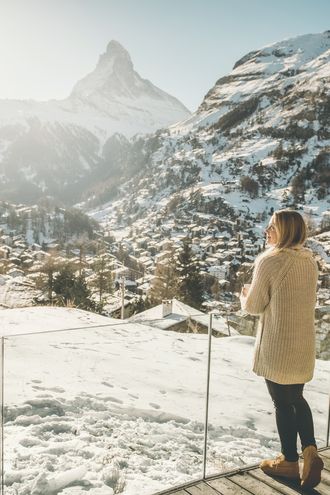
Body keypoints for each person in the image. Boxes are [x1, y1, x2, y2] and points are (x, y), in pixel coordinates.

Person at [240, 209, 324, 488]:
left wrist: (244, 295)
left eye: (272, 227)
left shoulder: (270, 261)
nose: (267, 231)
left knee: (281, 402)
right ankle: (310, 451)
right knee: (297, 398)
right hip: (302, 345)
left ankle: (289, 461)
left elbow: (253, 306)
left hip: (278, 346)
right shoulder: (309, 260)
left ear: (285, 231)